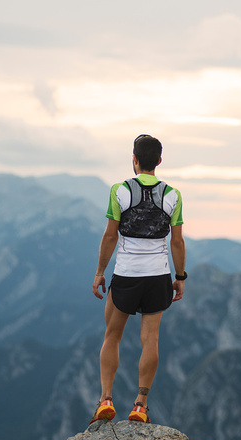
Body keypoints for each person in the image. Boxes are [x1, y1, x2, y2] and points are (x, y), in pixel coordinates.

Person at [90, 134, 186, 424]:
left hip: (127, 275)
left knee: (112, 336)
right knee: (150, 340)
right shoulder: (173, 195)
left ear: (134, 160)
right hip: (158, 277)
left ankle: (106, 399)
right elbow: (177, 242)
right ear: (158, 161)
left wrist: (99, 272)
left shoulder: (120, 191)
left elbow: (110, 235)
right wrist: (179, 276)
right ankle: (141, 405)